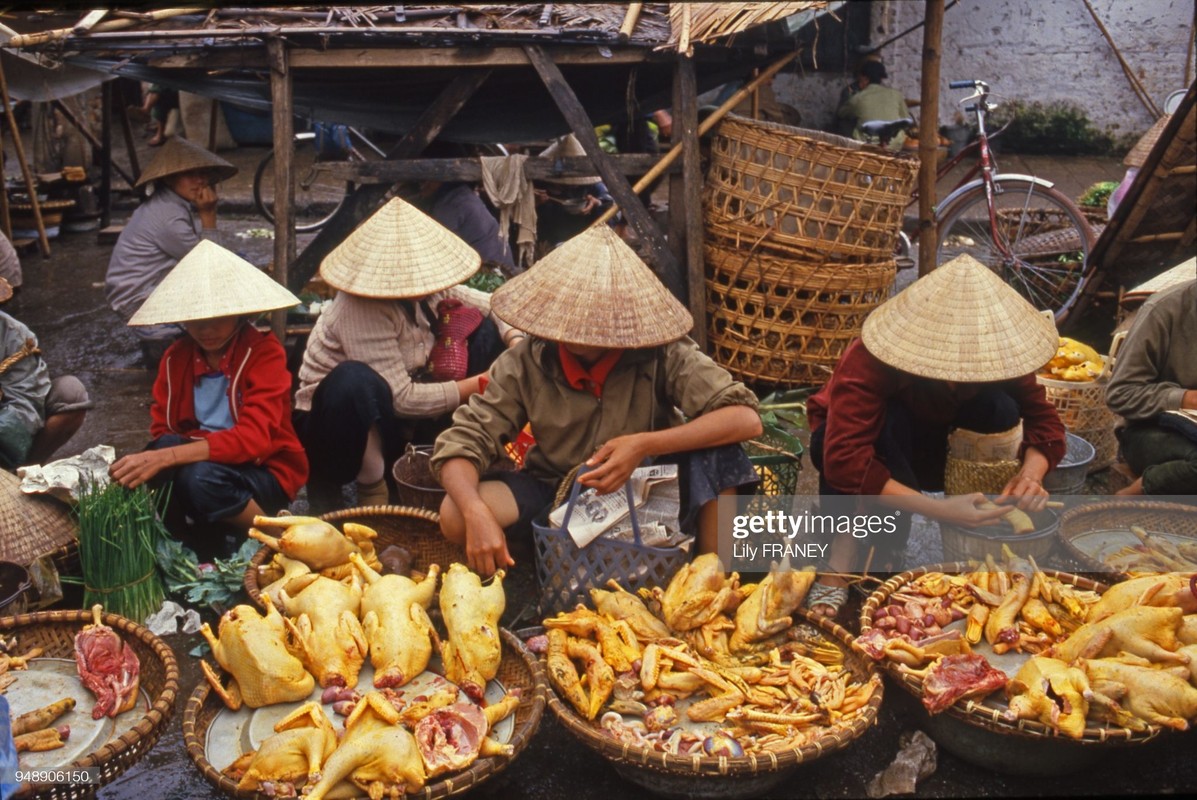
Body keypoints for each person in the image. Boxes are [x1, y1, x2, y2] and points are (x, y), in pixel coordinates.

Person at [431, 225, 763, 577]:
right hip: (557, 491)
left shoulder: (663, 353)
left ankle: (713, 571)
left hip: (650, 488)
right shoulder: (525, 362)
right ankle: (542, 558)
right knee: (455, 514)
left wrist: (644, 444)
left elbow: (744, 418)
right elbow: (460, 445)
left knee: (722, 452)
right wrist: (476, 512)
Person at [804, 254, 1067, 616]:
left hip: (939, 444)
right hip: (875, 443)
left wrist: (1030, 475)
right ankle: (842, 551)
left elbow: (1046, 423)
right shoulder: (874, 354)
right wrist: (939, 510)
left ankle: (974, 536)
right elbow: (844, 460)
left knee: (1000, 407)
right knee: (880, 428)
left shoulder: (998, 354)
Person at [293, 197, 523, 511]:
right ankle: (370, 484)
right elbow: (402, 397)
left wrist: (514, 339)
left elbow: (498, 303)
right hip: (340, 427)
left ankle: (439, 456)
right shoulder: (358, 307)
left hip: (400, 415)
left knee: (484, 331)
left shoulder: (428, 289)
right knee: (354, 380)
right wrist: (484, 382)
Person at [110, 240, 307, 559]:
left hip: (262, 471)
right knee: (156, 456)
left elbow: (254, 440)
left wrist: (174, 456)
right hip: (207, 466)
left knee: (195, 475)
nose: (206, 328)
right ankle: (187, 550)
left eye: (219, 317)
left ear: (241, 314)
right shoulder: (176, 358)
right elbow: (165, 430)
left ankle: (276, 540)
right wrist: (164, 456)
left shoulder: (264, 353)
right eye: (196, 319)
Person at [106, 137, 237, 368]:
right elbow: (209, 264)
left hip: (139, 291)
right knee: (222, 289)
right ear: (169, 178)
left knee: (238, 264)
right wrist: (208, 215)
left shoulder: (169, 204)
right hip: (139, 300)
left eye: (202, 173)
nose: (200, 181)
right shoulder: (168, 216)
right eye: (191, 175)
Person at [1106, 275, 1197, 495]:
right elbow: (1120, 394)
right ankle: (1132, 494)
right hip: (1149, 429)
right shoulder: (1164, 310)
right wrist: (1186, 398)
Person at [0, 277, 91, 470]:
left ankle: (24, 470)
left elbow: (24, 403)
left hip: (3, 426)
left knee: (70, 392)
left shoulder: (14, 335)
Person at [533, 134, 613, 250]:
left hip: (586, 239)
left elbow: (612, 204)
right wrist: (534, 204)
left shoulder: (592, 185)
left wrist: (597, 203)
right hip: (550, 238)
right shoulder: (540, 185)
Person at [836, 60, 912, 150]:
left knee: (844, 123)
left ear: (865, 79)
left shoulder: (858, 97)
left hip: (867, 145)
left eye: (860, 79)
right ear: (881, 79)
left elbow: (841, 113)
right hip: (893, 145)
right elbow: (906, 120)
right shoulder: (896, 94)